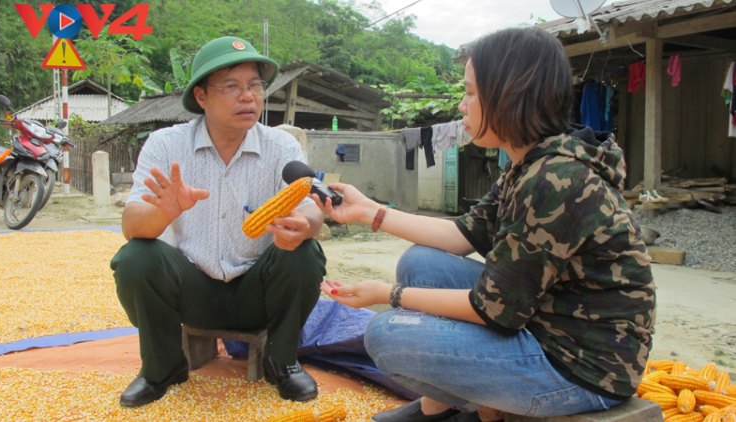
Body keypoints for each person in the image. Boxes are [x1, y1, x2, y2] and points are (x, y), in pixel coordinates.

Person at [312, 27, 655, 422]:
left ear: (509, 96)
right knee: (421, 264)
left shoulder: (555, 180)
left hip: (583, 367)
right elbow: (461, 235)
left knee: (386, 336)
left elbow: (492, 309)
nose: (462, 105)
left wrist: (387, 294)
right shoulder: (526, 165)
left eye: (471, 92)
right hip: (544, 322)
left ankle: (480, 412)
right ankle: (445, 408)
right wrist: (369, 211)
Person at [110, 37, 327, 408]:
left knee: (305, 252)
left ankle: (282, 361)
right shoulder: (166, 146)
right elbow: (132, 225)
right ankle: (161, 368)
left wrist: (307, 223)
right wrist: (165, 212)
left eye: (255, 86)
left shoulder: (281, 147)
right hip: (192, 290)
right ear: (201, 96)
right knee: (135, 257)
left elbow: (310, 205)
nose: (248, 97)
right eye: (231, 87)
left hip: (257, 289)